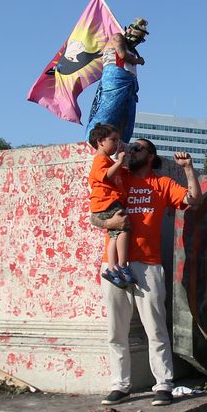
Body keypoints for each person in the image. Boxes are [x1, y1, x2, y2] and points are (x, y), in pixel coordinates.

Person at [91, 139, 202, 406]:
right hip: (115, 264)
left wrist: (188, 169)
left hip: (149, 265)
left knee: (155, 328)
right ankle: (120, 384)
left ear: (151, 155)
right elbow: (95, 215)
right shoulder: (118, 177)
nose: (131, 151)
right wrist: (110, 221)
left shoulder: (162, 184)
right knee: (116, 330)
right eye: (131, 148)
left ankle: (163, 384)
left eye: (138, 148)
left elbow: (195, 200)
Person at [87, 123, 136, 289]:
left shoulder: (107, 161)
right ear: (100, 142)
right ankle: (122, 265)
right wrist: (119, 161)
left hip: (108, 202)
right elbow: (106, 176)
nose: (116, 144)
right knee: (123, 229)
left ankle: (111, 267)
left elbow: (120, 172)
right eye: (113, 140)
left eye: (117, 140)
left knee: (114, 235)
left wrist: (122, 164)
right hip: (106, 202)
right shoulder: (100, 160)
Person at [85, 18, 149, 143]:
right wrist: (138, 61)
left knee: (126, 116)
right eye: (136, 36)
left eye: (139, 39)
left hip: (130, 84)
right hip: (115, 79)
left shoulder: (133, 49)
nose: (136, 40)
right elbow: (122, 55)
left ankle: (121, 143)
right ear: (129, 30)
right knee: (108, 110)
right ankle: (93, 140)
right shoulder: (117, 37)